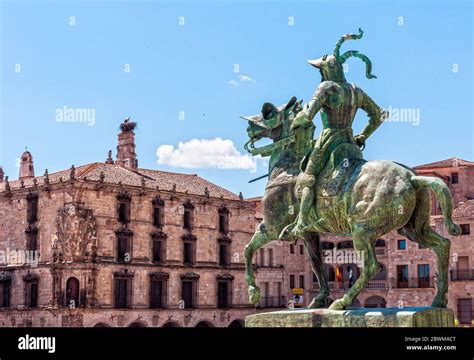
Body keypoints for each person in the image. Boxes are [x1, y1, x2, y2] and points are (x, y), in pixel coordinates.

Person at [287, 29, 387, 241]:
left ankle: (302, 221)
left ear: (325, 71)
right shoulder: (355, 90)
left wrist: (298, 119)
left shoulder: (326, 87)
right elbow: (378, 115)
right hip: (350, 142)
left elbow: (307, 116)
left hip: (329, 141)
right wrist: (362, 137)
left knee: (307, 178)